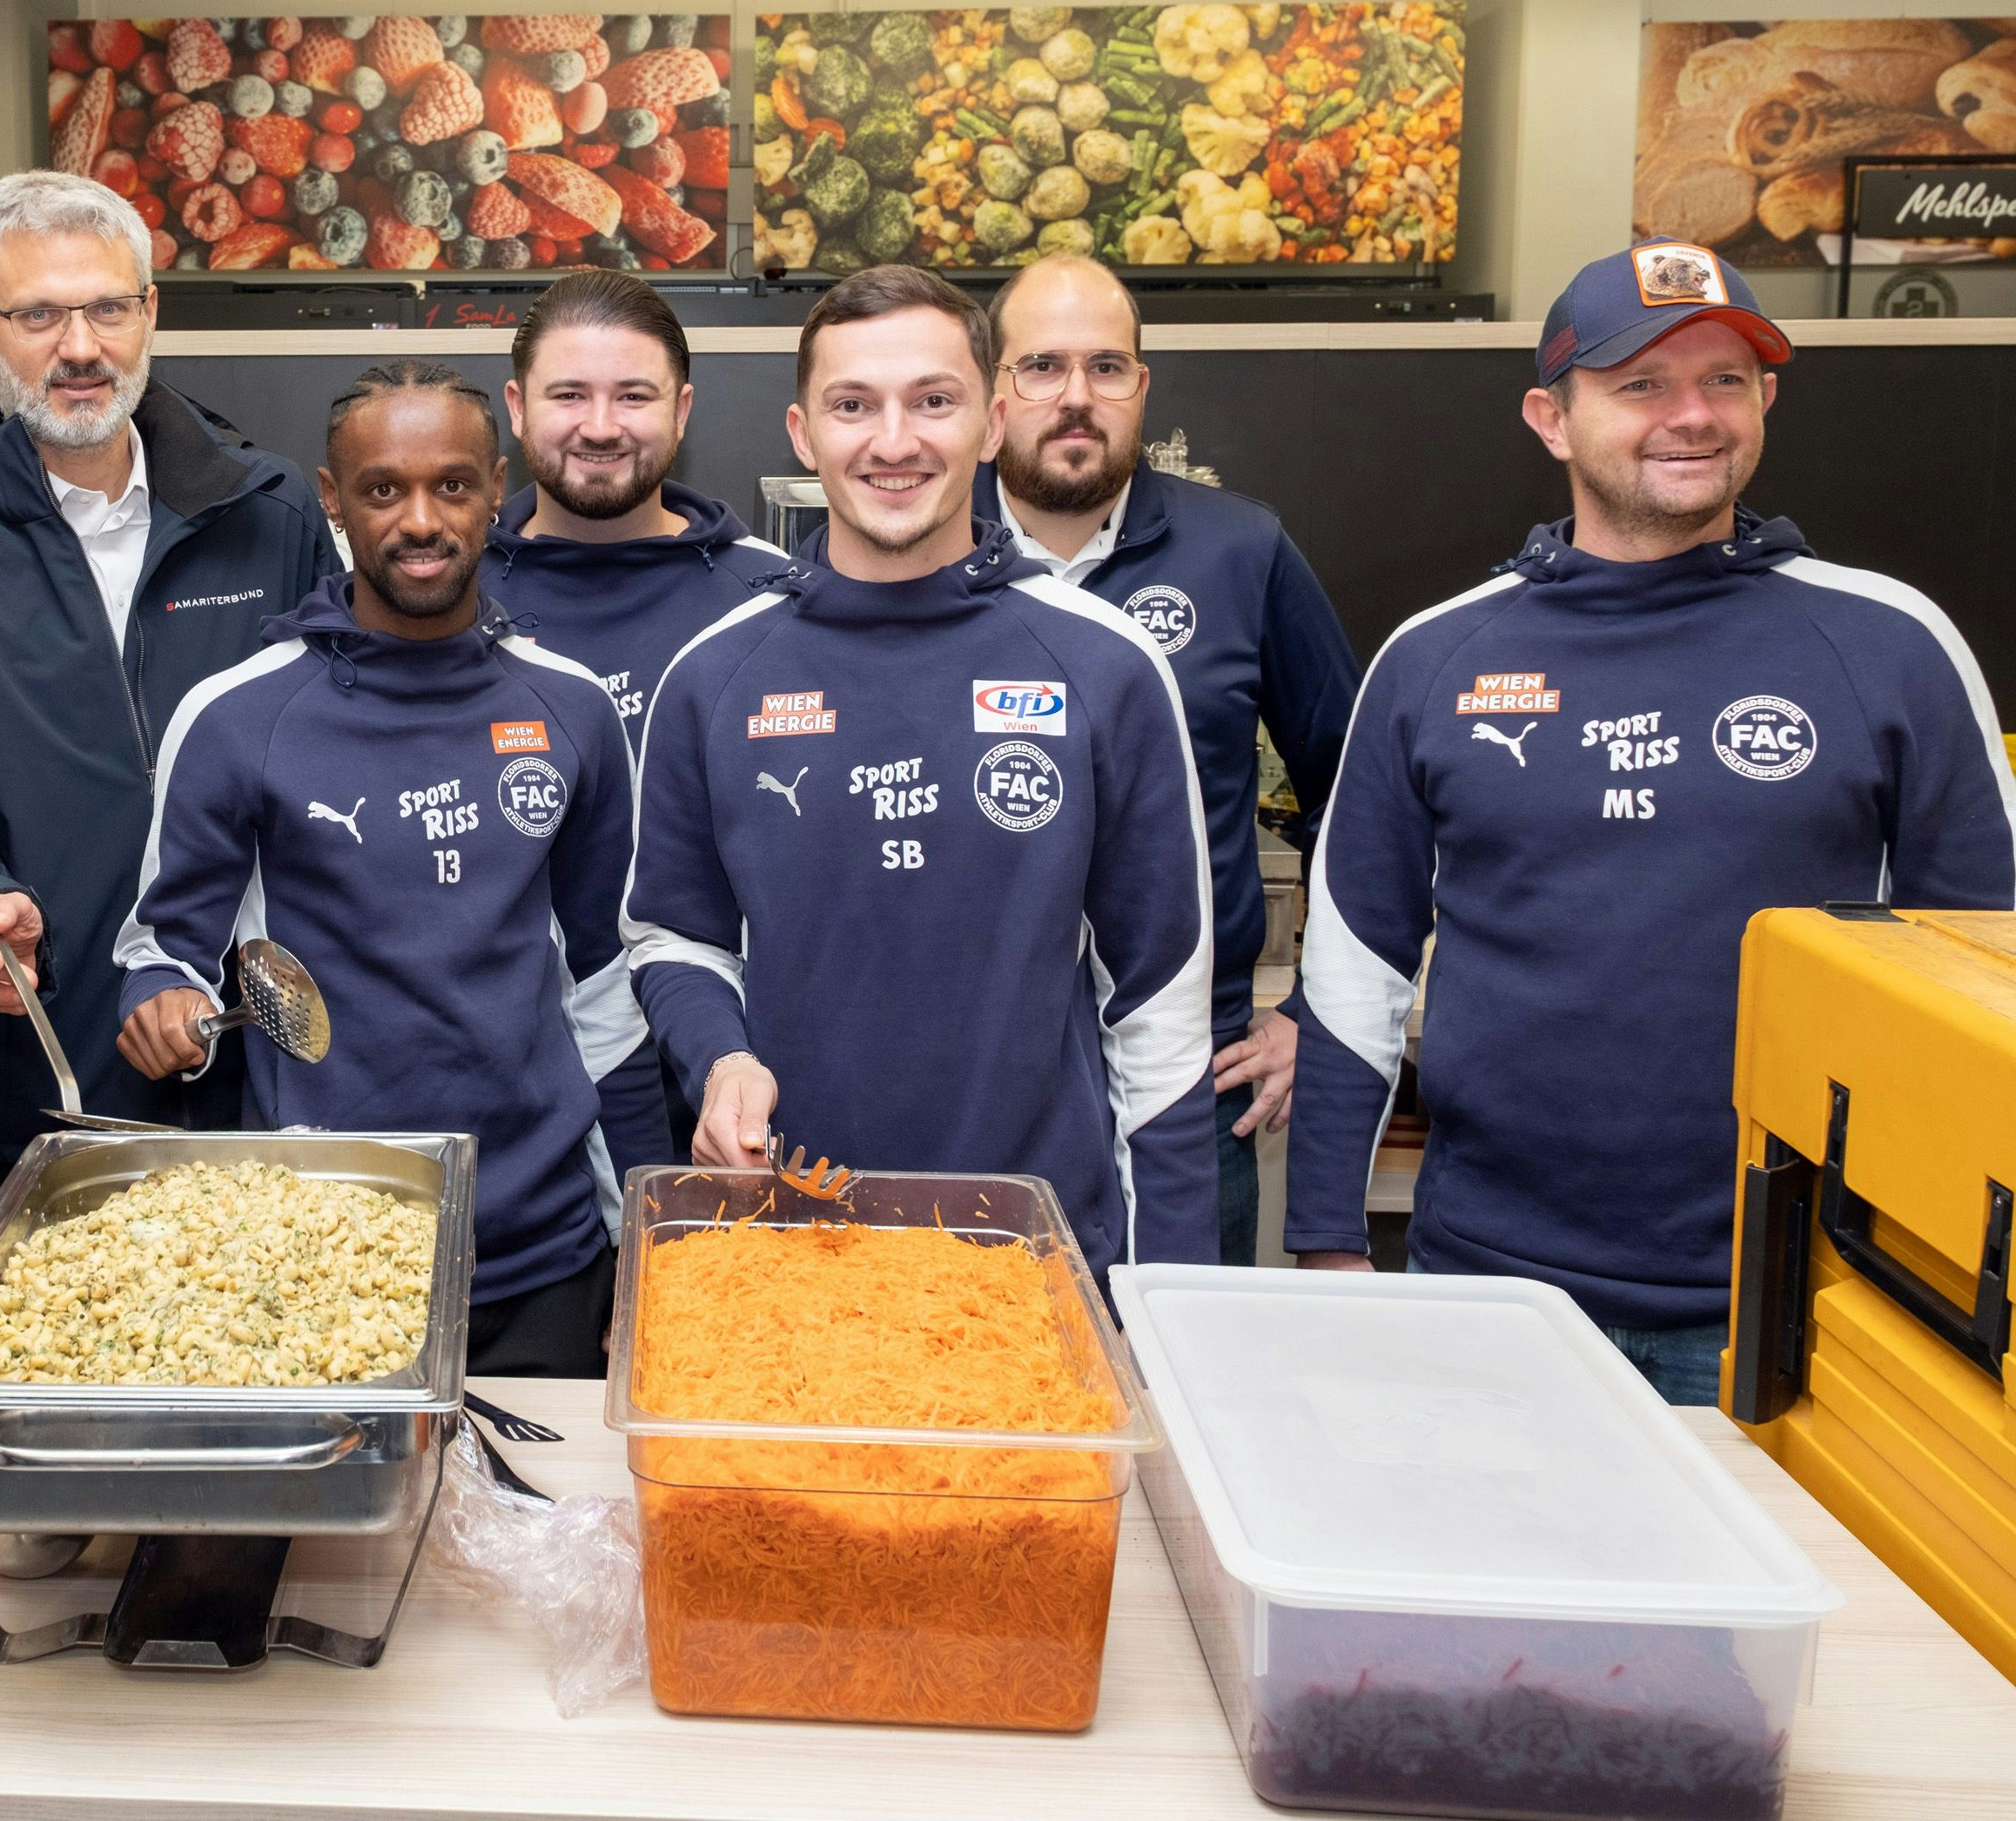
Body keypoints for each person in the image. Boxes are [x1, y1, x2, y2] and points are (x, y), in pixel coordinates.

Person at [1287, 244, 2016, 1403]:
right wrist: (1325, 1235)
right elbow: (1353, 968)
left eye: (1726, 380)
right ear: (1552, 418)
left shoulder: (1894, 645)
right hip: (1489, 1286)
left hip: (1792, 1301)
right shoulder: (1436, 658)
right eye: (1641, 386)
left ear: (1767, 398)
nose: (1693, 416)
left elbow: (1986, 973)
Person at [625, 265, 1218, 1275]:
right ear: (804, 433)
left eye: (932, 401)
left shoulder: (1105, 665)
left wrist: (1166, 1311)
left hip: (1033, 1264)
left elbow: (1159, 1009)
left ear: (990, 422)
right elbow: (673, 938)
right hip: (787, 1251)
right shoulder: (714, 677)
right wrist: (720, 1055)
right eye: (853, 405)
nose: (893, 442)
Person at [0, 171, 337, 1279]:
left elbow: (322, 771)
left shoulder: (268, 518)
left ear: (150, 313)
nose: (80, 346)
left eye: (109, 309)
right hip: (24, 1090)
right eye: (39, 316)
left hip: (252, 1083)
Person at [115, 359, 641, 1376]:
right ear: (332, 501)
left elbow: (608, 991)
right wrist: (161, 1006)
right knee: (349, 1544)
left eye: (452, 484)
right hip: (324, 1252)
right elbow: (164, 950)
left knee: (548, 1536)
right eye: (382, 489)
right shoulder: (237, 716)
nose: (421, 520)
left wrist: (640, 1252)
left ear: (498, 487)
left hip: (545, 1252)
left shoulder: (573, 709)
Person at [482, 268, 803, 1171]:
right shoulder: (447, 600)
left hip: (738, 1093)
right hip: (514, 1104)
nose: (600, 426)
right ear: (516, 405)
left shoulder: (770, 596)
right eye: (568, 394)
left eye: (634, 395)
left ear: (684, 409)